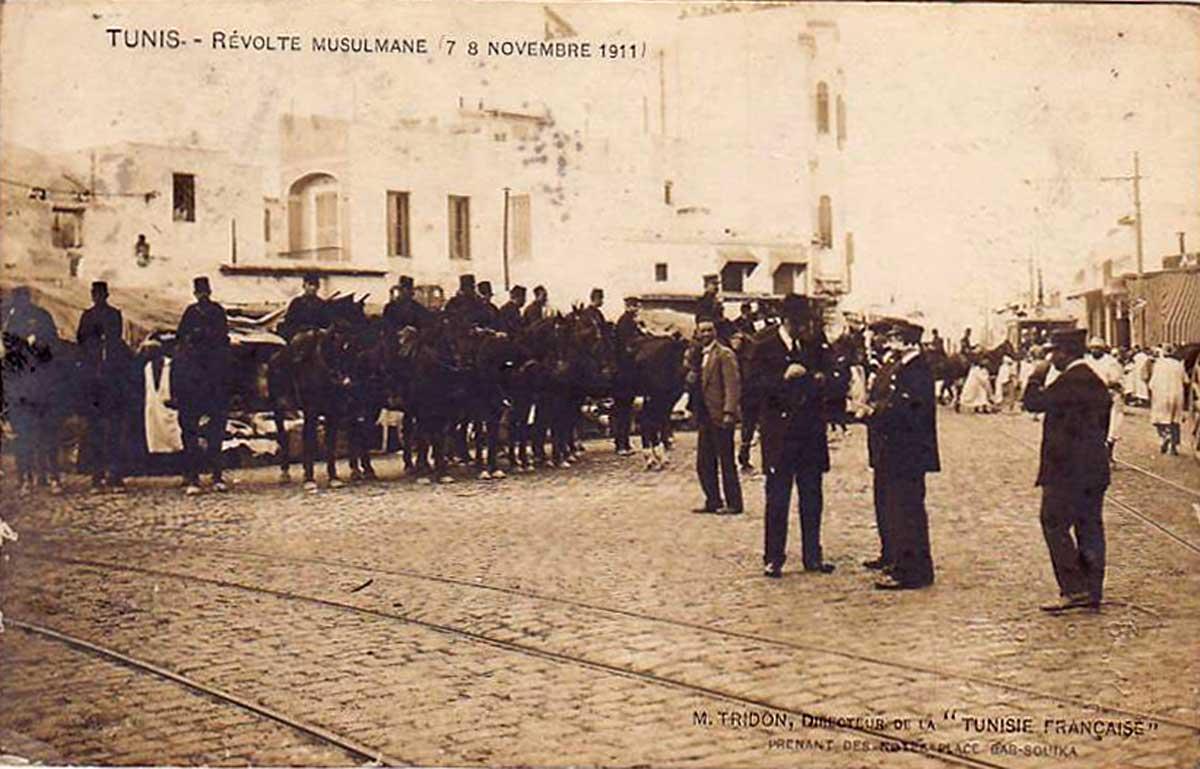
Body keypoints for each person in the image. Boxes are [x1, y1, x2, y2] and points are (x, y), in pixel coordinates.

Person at [1022, 328, 1110, 613]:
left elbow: (1032, 403)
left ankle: (1073, 589)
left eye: (1054, 352)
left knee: (1053, 523)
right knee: (1090, 526)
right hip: (1093, 469)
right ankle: (1092, 590)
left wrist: (1036, 375)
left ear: (1066, 352)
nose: (1051, 357)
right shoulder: (1094, 381)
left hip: (1066, 472)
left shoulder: (1069, 381)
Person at [751, 293, 836, 577]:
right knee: (778, 498)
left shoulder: (814, 344)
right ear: (788, 321)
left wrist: (819, 379)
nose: (807, 328)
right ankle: (773, 557)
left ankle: (813, 556)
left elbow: (832, 374)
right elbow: (753, 388)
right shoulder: (764, 345)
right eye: (801, 323)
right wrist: (782, 378)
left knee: (812, 497)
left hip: (809, 434)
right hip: (780, 435)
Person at [865, 321, 939, 590]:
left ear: (908, 341)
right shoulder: (904, 366)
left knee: (907, 510)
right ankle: (902, 562)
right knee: (899, 509)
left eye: (896, 337)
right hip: (898, 450)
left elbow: (907, 409)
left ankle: (912, 571)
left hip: (908, 451)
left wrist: (875, 412)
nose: (891, 341)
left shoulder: (917, 369)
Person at [175, 276, 232, 495]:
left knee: (229, 364)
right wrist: (192, 336)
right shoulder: (190, 312)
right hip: (194, 356)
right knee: (178, 362)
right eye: (199, 292)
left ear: (209, 292)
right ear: (195, 294)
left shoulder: (217, 311)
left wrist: (209, 335)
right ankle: (192, 476)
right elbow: (181, 335)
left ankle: (217, 475)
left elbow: (223, 332)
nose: (202, 295)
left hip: (213, 358)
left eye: (205, 292)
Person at [3, 286, 63, 494]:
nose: (21, 303)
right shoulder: (12, 319)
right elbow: (8, 348)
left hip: (43, 383)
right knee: (23, 435)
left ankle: (53, 476)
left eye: (23, 299)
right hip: (21, 388)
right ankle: (25, 478)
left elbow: (54, 344)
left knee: (49, 433)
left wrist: (39, 344)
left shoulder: (42, 316)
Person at [76, 280, 132, 492]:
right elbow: (81, 340)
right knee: (94, 429)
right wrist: (92, 350)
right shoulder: (87, 316)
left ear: (106, 296)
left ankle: (115, 474)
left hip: (112, 377)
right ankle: (96, 475)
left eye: (101, 294)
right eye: (95, 294)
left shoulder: (114, 314)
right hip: (93, 377)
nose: (98, 297)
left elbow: (116, 339)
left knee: (115, 429)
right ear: (92, 296)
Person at [689, 319, 743, 515]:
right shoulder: (698, 356)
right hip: (705, 415)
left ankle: (734, 503)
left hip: (720, 414)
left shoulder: (725, 354)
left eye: (709, 330)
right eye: (702, 331)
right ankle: (713, 500)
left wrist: (730, 411)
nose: (705, 334)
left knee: (726, 460)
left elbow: (732, 385)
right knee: (704, 462)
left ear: (715, 332)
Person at [611, 297, 643, 456]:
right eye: (634, 306)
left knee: (626, 408)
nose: (636, 309)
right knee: (622, 408)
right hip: (623, 371)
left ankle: (625, 441)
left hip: (629, 371)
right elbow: (627, 346)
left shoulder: (631, 322)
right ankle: (620, 443)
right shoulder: (625, 322)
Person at [1084, 338, 1125, 461]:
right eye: (1093, 348)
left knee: (1111, 425)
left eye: (1098, 348)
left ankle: (1109, 452)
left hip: (1109, 396)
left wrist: (1107, 384)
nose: (1095, 350)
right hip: (1091, 397)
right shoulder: (1087, 361)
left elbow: (1117, 380)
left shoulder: (1111, 362)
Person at [1148, 344, 1187, 455]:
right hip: (1177, 395)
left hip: (1162, 395)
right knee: (1175, 421)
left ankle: (1165, 436)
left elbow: (1152, 383)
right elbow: (1186, 380)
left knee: (1159, 420)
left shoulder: (1158, 364)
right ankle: (1174, 447)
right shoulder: (1179, 365)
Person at [280, 273, 329, 339]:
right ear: (304, 286)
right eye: (310, 284)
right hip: (299, 334)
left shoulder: (322, 304)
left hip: (317, 335)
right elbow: (289, 322)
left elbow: (326, 323)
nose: (313, 288)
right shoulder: (297, 302)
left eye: (315, 285)